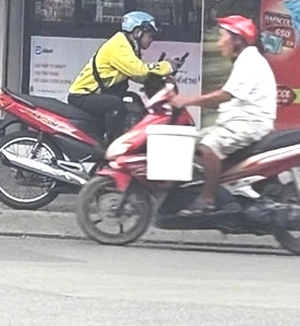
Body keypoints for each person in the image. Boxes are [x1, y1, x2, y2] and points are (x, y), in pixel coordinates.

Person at [171, 15, 275, 215]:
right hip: (238, 122)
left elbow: (225, 95)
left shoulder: (249, 61)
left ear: (237, 39)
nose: (219, 43)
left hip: (250, 123)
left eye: (222, 37)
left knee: (208, 146)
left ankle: (207, 200)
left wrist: (186, 100)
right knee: (195, 141)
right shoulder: (243, 60)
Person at [67, 11, 177, 141]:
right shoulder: (119, 45)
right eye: (150, 35)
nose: (151, 39)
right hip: (83, 95)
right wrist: (167, 66)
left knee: (133, 98)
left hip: (99, 93)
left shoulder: (129, 46)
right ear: (137, 32)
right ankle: (113, 146)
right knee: (115, 104)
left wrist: (157, 77)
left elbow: (137, 76)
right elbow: (138, 70)